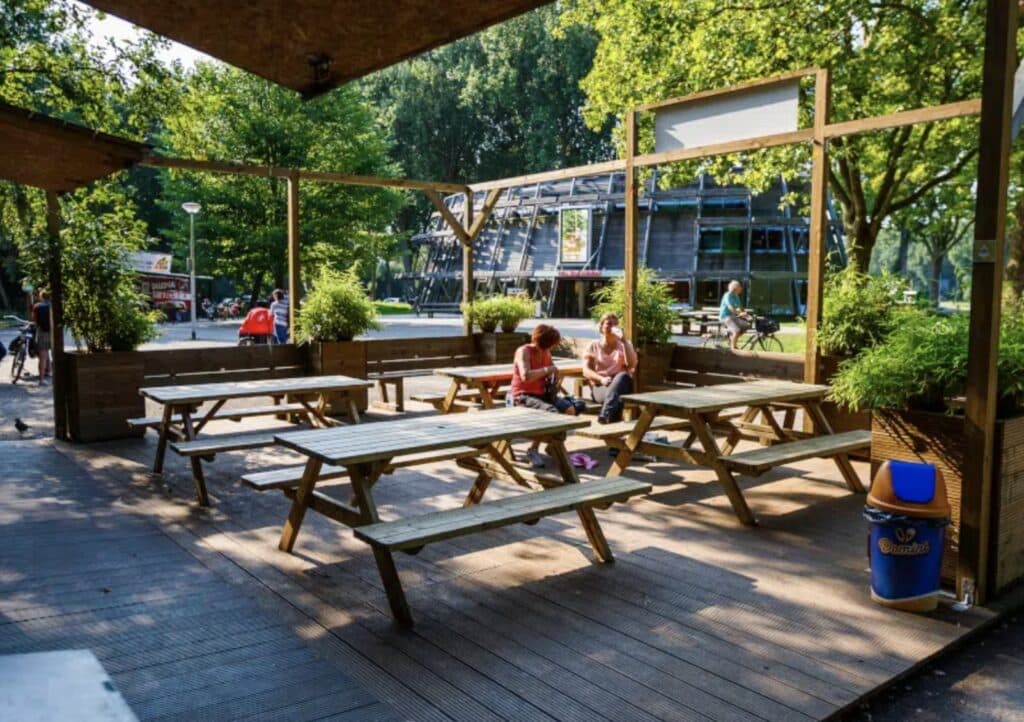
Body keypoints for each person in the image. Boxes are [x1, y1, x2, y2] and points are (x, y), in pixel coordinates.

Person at [509, 324, 585, 468]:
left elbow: (551, 371)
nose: (551, 348)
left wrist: (554, 377)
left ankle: (554, 445)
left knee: (571, 409)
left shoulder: (546, 352)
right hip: (523, 395)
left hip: (543, 393)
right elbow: (526, 376)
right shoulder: (524, 351)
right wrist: (547, 369)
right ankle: (533, 449)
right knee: (552, 413)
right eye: (550, 344)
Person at [582, 312, 638, 424]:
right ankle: (609, 417)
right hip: (601, 386)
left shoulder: (625, 344)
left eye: (615, 324)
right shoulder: (593, 345)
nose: (612, 326)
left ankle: (605, 413)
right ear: (601, 327)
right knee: (617, 398)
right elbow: (586, 371)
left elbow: (631, 365)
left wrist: (624, 341)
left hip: (622, 384)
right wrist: (601, 379)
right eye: (608, 323)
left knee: (622, 376)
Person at [719, 280, 752, 350]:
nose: (741, 288)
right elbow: (730, 307)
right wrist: (740, 313)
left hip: (732, 317)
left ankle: (732, 339)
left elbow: (740, 307)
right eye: (740, 287)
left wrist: (747, 315)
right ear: (735, 288)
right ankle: (733, 350)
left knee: (747, 325)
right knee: (736, 331)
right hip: (725, 317)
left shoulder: (736, 296)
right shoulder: (727, 295)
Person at [32, 289, 51, 384]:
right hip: (54, 333)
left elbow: (35, 322)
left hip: (42, 332)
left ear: (41, 296)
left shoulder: (37, 307)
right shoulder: (54, 306)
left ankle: (41, 380)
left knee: (42, 357)